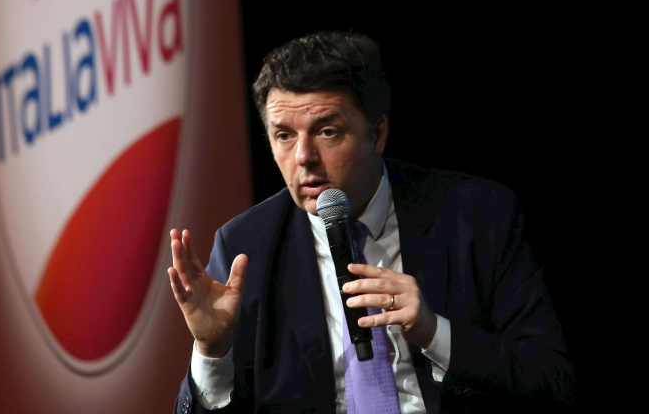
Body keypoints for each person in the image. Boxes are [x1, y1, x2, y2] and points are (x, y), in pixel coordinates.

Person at [167, 31, 574, 413]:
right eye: (284, 136)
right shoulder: (245, 246)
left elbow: (553, 380)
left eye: (327, 131)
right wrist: (212, 353)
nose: (303, 157)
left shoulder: (477, 216)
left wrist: (435, 333)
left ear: (377, 134)